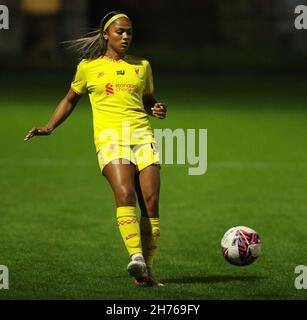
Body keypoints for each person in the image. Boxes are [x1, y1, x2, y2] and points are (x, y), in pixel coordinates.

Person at [24, 11, 167, 287]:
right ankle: (136, 257)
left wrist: (156, 108)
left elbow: (148, 101)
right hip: (110, 139)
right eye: (120, 32)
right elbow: (69, 100)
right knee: (125, 194)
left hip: (142, 137)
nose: (125, 37)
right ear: (106, 35)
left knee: (151, 203)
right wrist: (50, 126)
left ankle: (146, 272)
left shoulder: (143, 66)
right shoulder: (88, 67)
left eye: (129, 32)